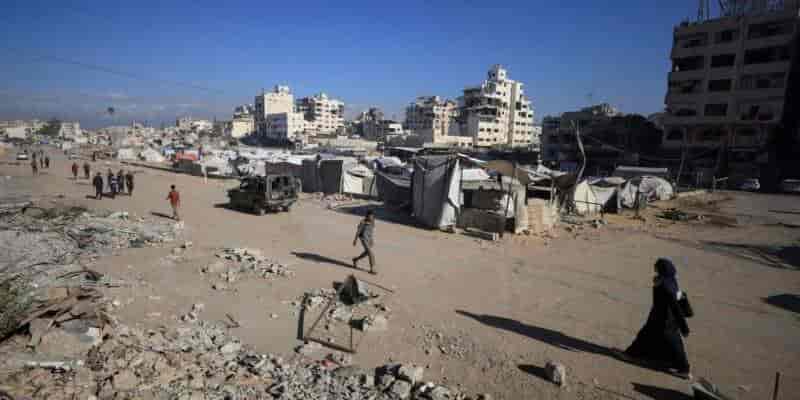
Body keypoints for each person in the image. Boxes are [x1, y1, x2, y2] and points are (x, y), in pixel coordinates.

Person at [623, 258, 691, 379]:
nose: (654, 268)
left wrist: (684, 329)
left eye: (656, 267)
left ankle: (684, 369)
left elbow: (675, 307)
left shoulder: (666, 285)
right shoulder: (668, 280)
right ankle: (633, 354)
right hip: (659, 318)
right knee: (645, 337)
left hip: (665, 321)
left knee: (673, 344)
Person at [352, 210, 377, 274]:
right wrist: (355, 240)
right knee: (371, 253)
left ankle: (356, 259)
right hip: (363, 239)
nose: (370, 218)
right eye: (369, 216)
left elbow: (371, 231)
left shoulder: (373, 222)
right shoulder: (362, 222)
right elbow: (358, 231)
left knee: (367, 253)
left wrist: (371, 239)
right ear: (366, 216)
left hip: (369, 240)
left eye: (372, 216)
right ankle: (372, 269)